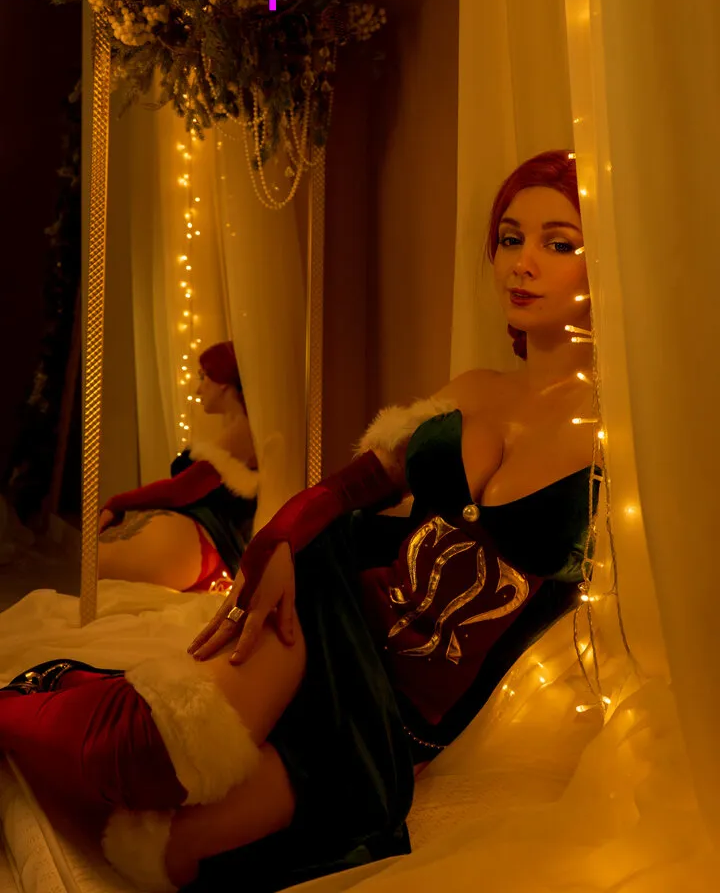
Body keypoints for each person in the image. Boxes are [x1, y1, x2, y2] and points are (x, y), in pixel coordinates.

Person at [0, 151, 601, 893]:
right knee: (144, 755)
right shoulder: (474, 389)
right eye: (510, 238)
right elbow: (347, 490)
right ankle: (27, 699)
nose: (523, 263)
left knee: (175, 850)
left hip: (399, 713)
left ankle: (62, 692)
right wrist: (281, 539)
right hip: (333, 610)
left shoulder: (620, 443)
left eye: (559, 243)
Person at [98, 341, 259, 592]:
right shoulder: (234, 430)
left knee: (92, 568)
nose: (198, 390)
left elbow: (181, 490)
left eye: (203, 377)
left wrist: (117, 502)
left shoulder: (241, 433)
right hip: (197, 546)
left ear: (223, 383)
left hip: (203, 542)